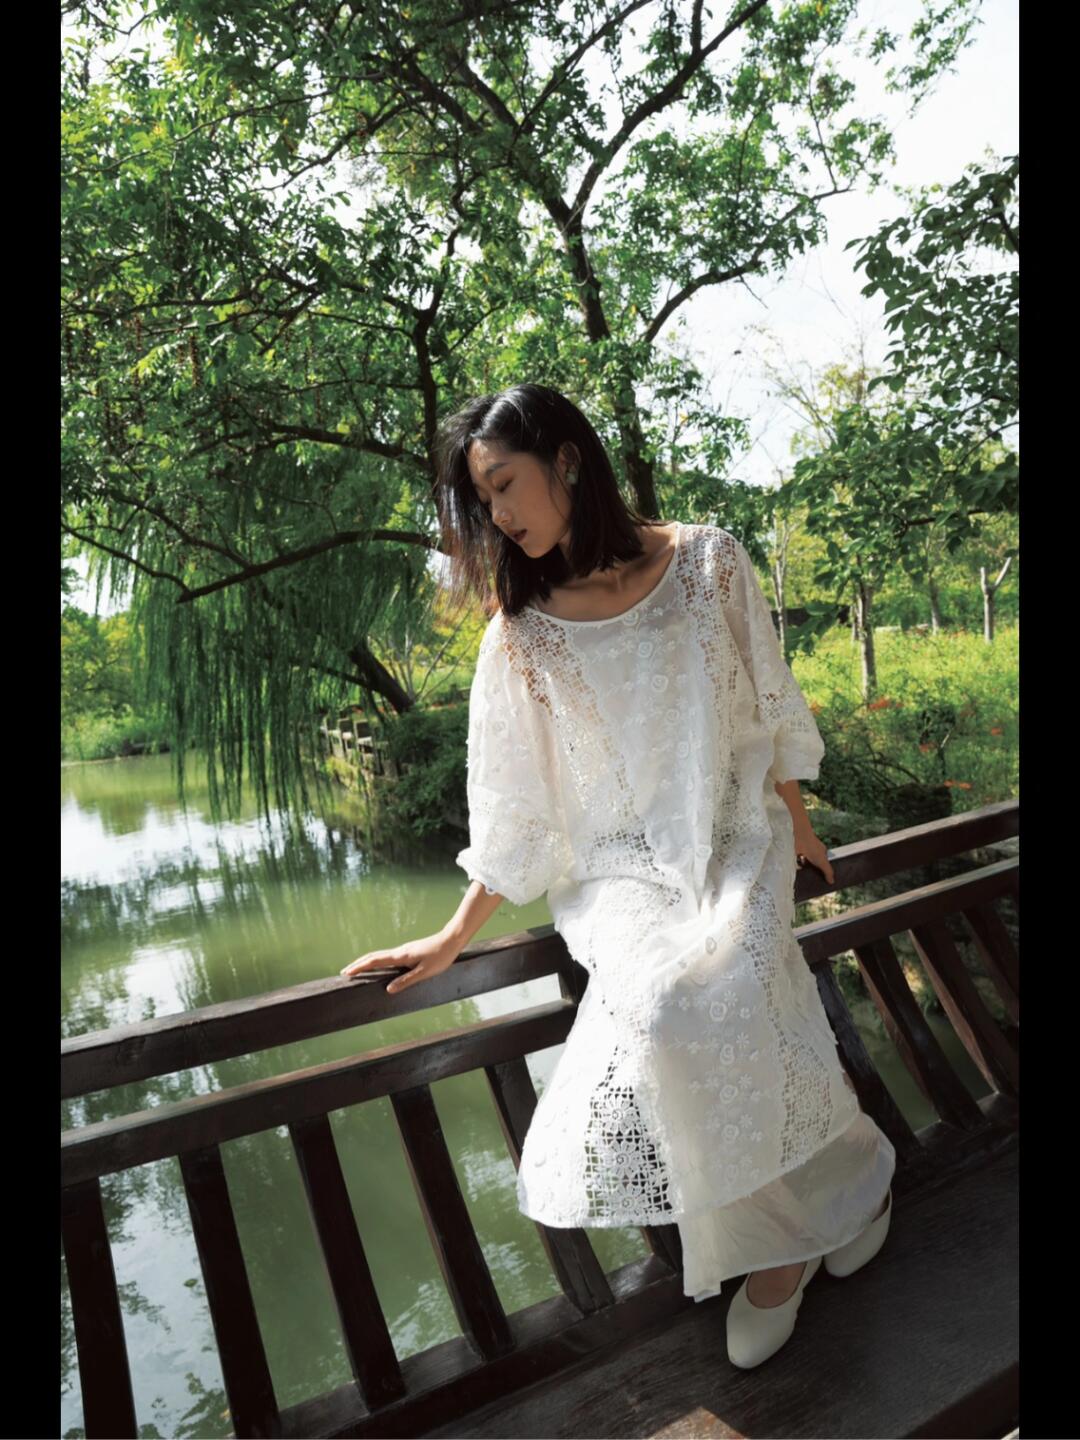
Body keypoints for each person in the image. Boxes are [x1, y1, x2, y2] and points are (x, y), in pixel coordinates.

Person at [340, 383, 895, 1369]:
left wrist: (801, 829)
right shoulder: (522, 633)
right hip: (619, 874)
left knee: (728, 981)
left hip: (733, 836)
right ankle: (832, 1207)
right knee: (668, 1007)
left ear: (566, 458)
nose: (498, 517)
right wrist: (454, 935)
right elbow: (516, 809)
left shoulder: (710, 563)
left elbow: (766, 710)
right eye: (482, 500)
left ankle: (796, 1243)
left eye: (504, 485)